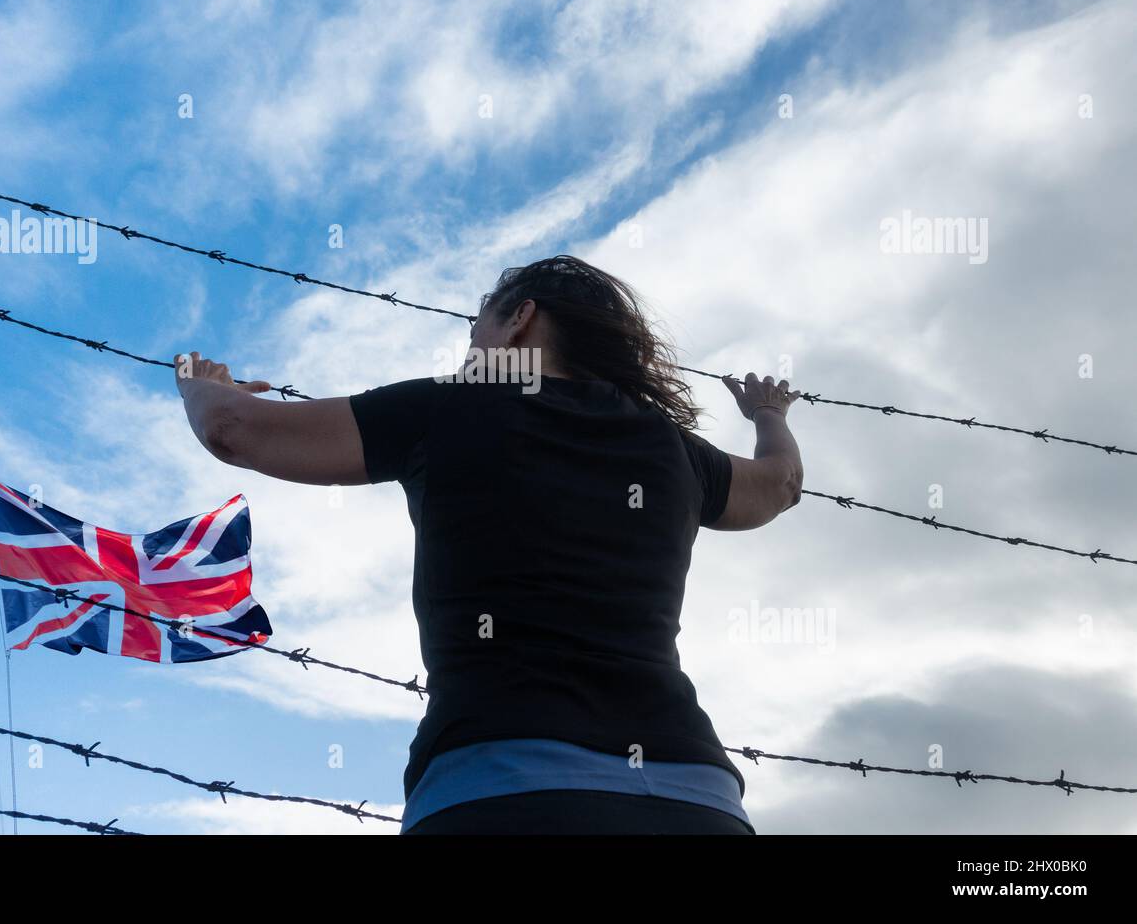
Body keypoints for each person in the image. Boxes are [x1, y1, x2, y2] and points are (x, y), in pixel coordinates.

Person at [174, 255, 803, 834]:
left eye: (479, 325)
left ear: (520, 319)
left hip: (502, 789)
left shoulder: (447, 411)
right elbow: (780, 485)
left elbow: (234, 430)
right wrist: (768, 417)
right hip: (694, 798)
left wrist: (199, 384)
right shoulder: (676, 451)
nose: (472, 343)